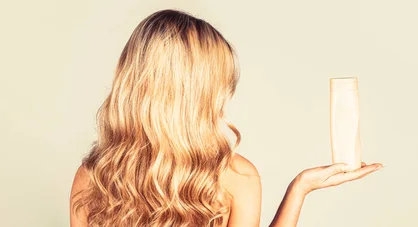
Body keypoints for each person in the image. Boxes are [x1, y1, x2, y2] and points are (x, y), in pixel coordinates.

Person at [70, 9, 382, 227]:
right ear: (200, 93)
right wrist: (300, 189)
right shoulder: (237, 176)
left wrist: (299, 188)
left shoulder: (92, 175)